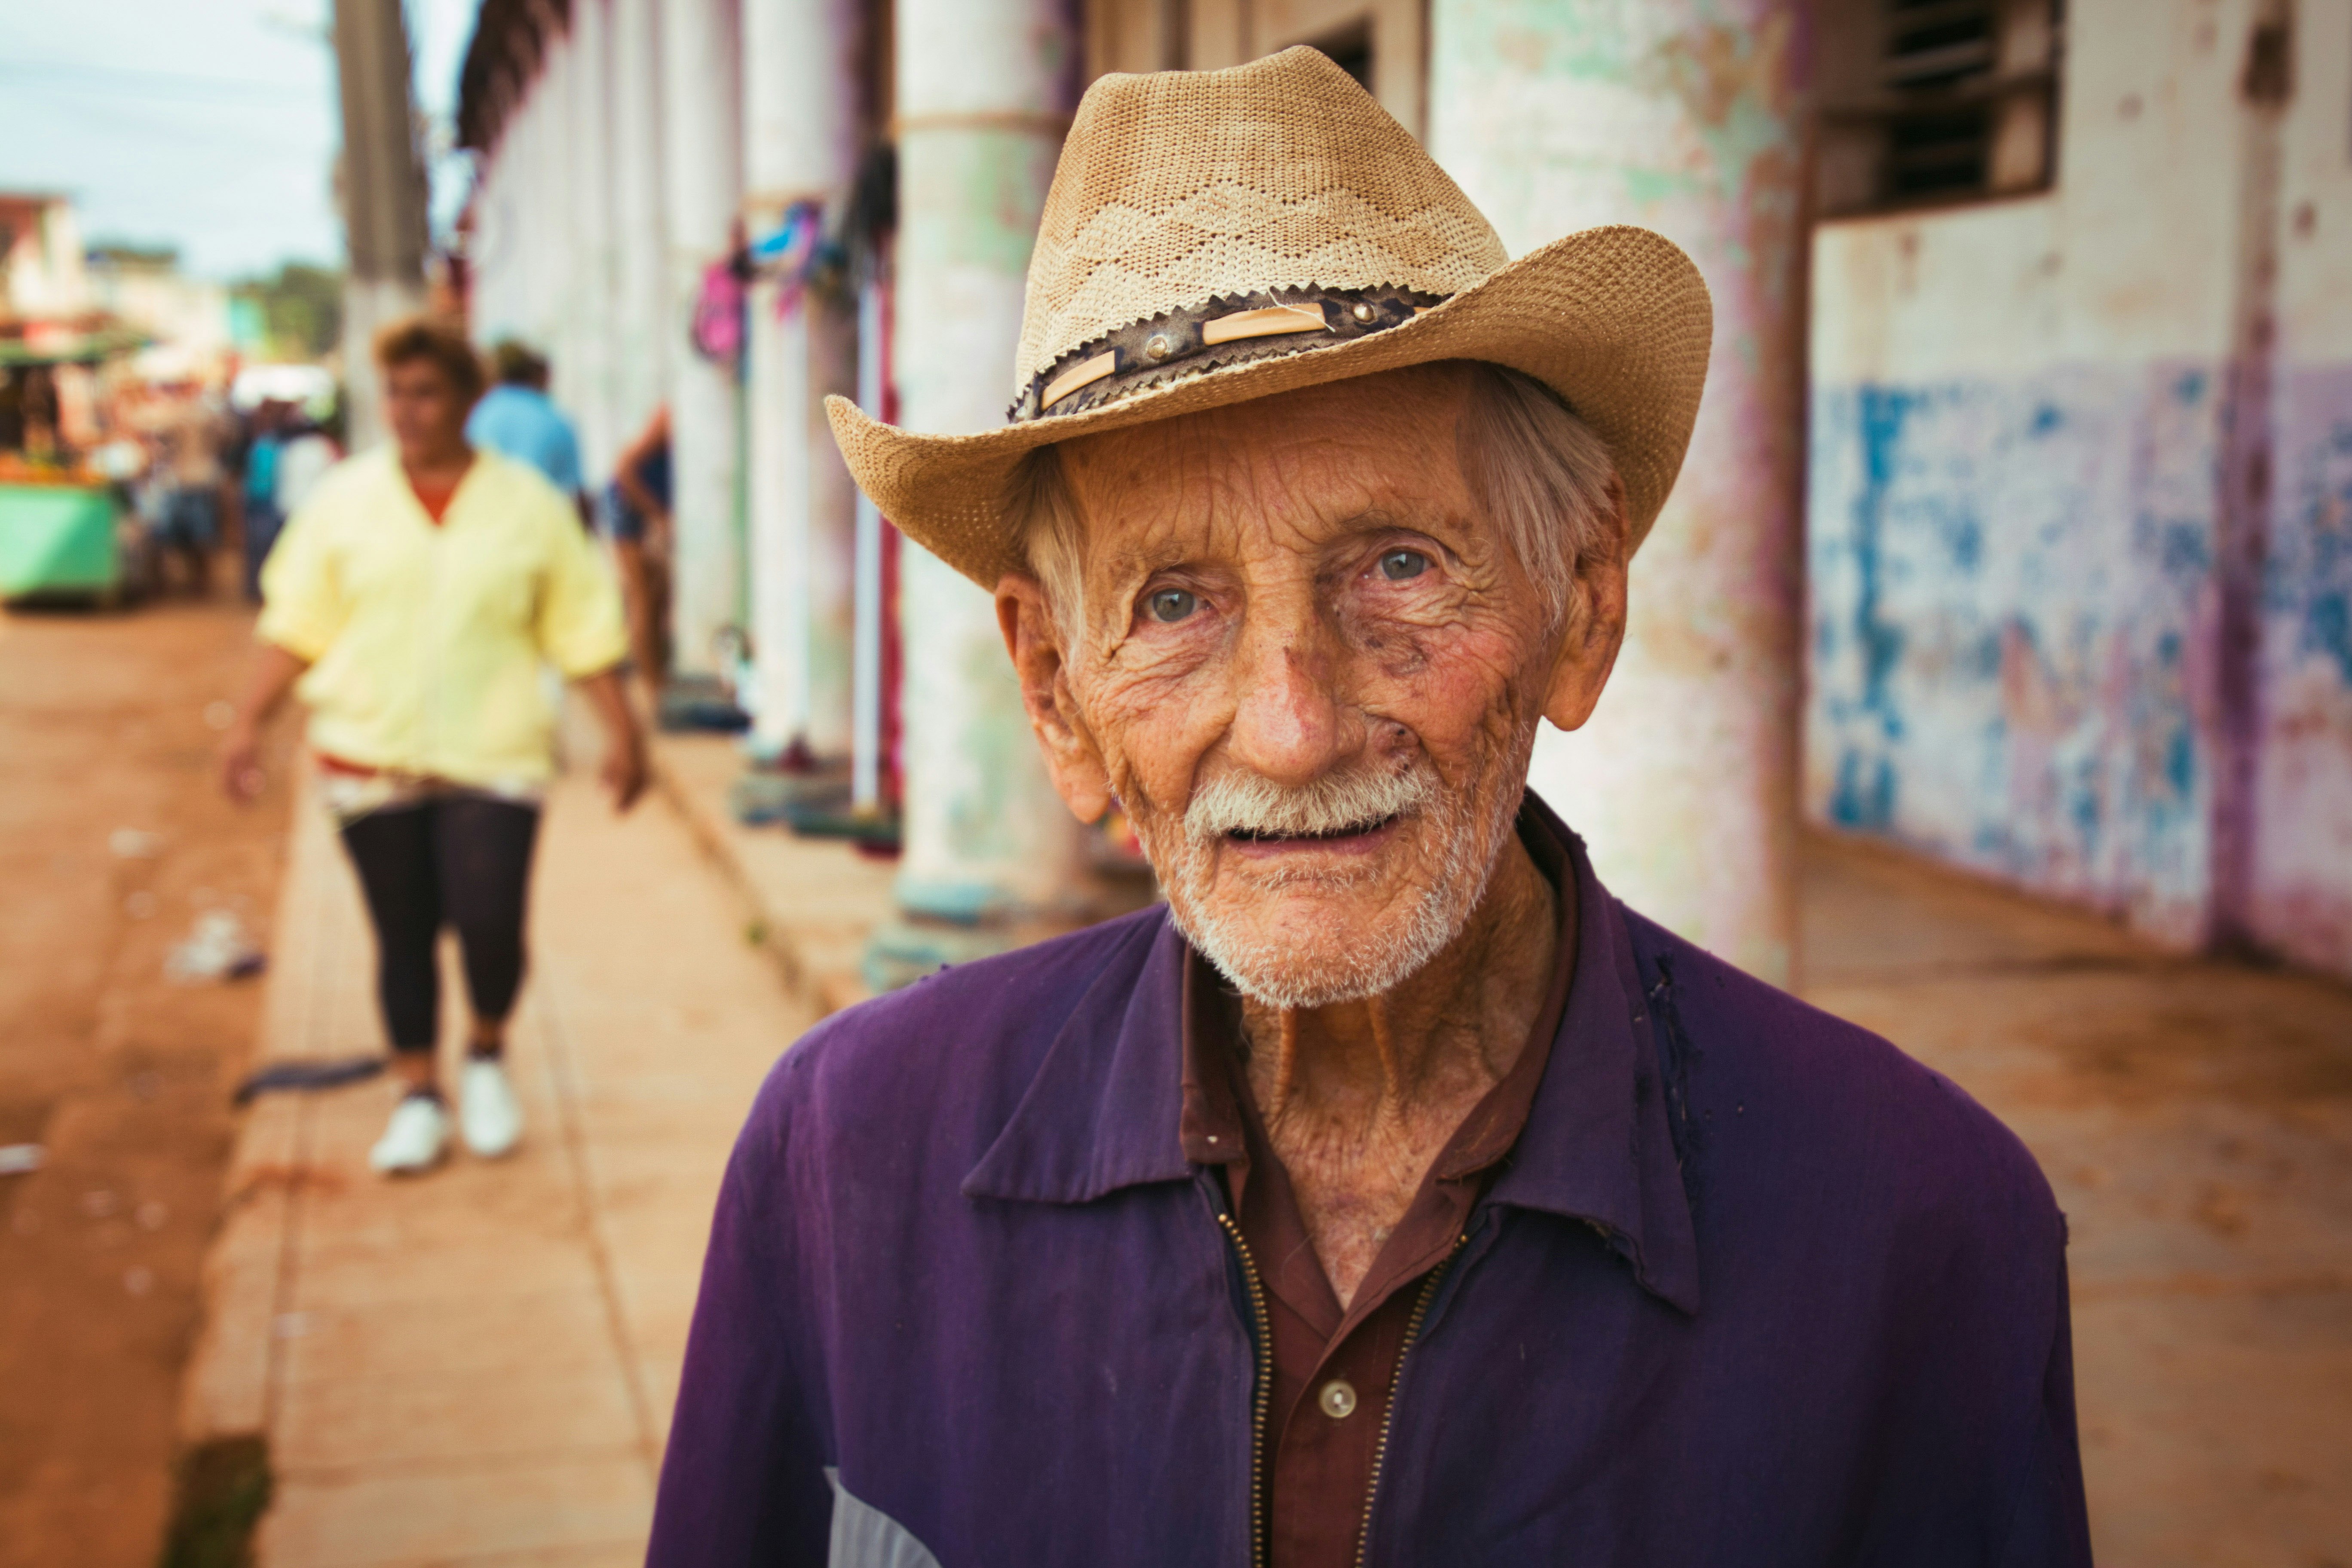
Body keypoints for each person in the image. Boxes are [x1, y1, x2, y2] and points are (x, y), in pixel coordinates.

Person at [648, 50, 2092, 1568]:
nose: (1292, 724)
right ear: (1058, 692)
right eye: (1175, 599)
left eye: (1399, 566)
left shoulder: (1918, 1229)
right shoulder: (845, 1156)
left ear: (1580, 606)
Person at [219, 315, 646, 1178]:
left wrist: (623, 732)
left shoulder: (525, 506)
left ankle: (485, 1055)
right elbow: (297, 623)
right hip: (368, 756)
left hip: (495, 754)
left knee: (491, 926)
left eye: (427, 393)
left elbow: (581, 627)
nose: (408, 412)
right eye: (397, 394)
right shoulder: (344, 502)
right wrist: (246, 724)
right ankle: (419, 1095)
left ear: (466, 400)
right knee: (402, 932)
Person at [466, 339, 587, 516]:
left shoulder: (476, 414)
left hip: (482, 519)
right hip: (537, 524)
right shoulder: (557, 421)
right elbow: (576, 495)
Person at [601, 403, 673, 692]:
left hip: (651, 505)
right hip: (629, 503)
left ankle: (657, 679)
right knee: (641, 596)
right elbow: (625, 467)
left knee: (658, 597)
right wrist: (656, 515)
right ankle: (651, 687)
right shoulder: (670, 416)